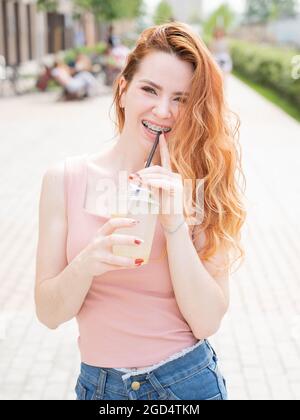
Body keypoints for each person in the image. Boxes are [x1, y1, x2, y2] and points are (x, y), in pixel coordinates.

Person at [35, 22, 246, 400]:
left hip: (185, 385)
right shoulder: (64, 179)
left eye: (180, 98)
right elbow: (49, 314)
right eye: (149, 89)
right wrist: (87, 263)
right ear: (122, 91)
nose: (163, 111)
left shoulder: (198, 184)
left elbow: (207, 320)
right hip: (100, 390)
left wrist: (175, 223)